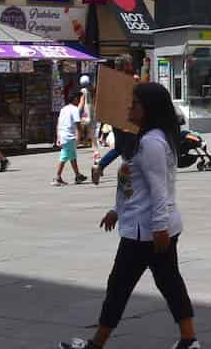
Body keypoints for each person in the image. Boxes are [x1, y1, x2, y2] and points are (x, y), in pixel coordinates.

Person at [60, 83, 200, 349]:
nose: (129, 107)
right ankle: (189, 339)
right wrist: (118, 210)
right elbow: (136, 185)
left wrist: (158, 228)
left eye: (134, 104)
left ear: (148, 110)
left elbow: (159, 189)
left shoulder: (152, 142)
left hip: (146, 231)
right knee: (169, 283)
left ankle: (97, 344)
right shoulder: (150, 137)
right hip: (148, 225)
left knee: (119, 287)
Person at [56, 89, 84, 186]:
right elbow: (78, 124)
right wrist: (80, 136)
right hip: (69, 136)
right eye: (79, 99)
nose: (79, 101)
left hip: (63, 135)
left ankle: (78, 175)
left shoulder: (63, 109)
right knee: (64, 157)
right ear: (75, 99)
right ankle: (57, 177)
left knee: (71, 156)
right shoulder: (74, 109)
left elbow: (58, 124)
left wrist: (58, 137)